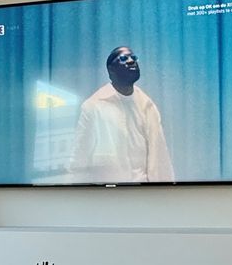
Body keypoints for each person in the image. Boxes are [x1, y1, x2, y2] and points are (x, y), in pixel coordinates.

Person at [70, 46, 175, 183]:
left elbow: (160, 155)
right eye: (124, 58)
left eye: (134, 58)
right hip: (107, 192)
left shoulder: (147, 106)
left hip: (143, 191)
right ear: (111, 70)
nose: (131, 61)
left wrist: (165, 190)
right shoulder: (93, 106)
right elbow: (79, 158)